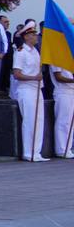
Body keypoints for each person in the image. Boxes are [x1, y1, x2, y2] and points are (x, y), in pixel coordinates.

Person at [11, 21, 45, 162]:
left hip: (37, 89)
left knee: (39, 121)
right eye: (32, 34)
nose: (36, 36)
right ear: (26, 37)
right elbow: (17, 74)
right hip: (26, 89)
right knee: (30, 121)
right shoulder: (21, 52)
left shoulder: (35, 50)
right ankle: (28, 152)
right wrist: (33, 77)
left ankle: (36, 152)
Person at [52, 64, 74, 159]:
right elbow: (58, 77)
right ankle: (61, 149)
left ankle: (67, 148)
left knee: (70, 122)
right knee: (63, 121)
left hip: (71, 91)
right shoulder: (56, 58)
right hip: (62, 91)